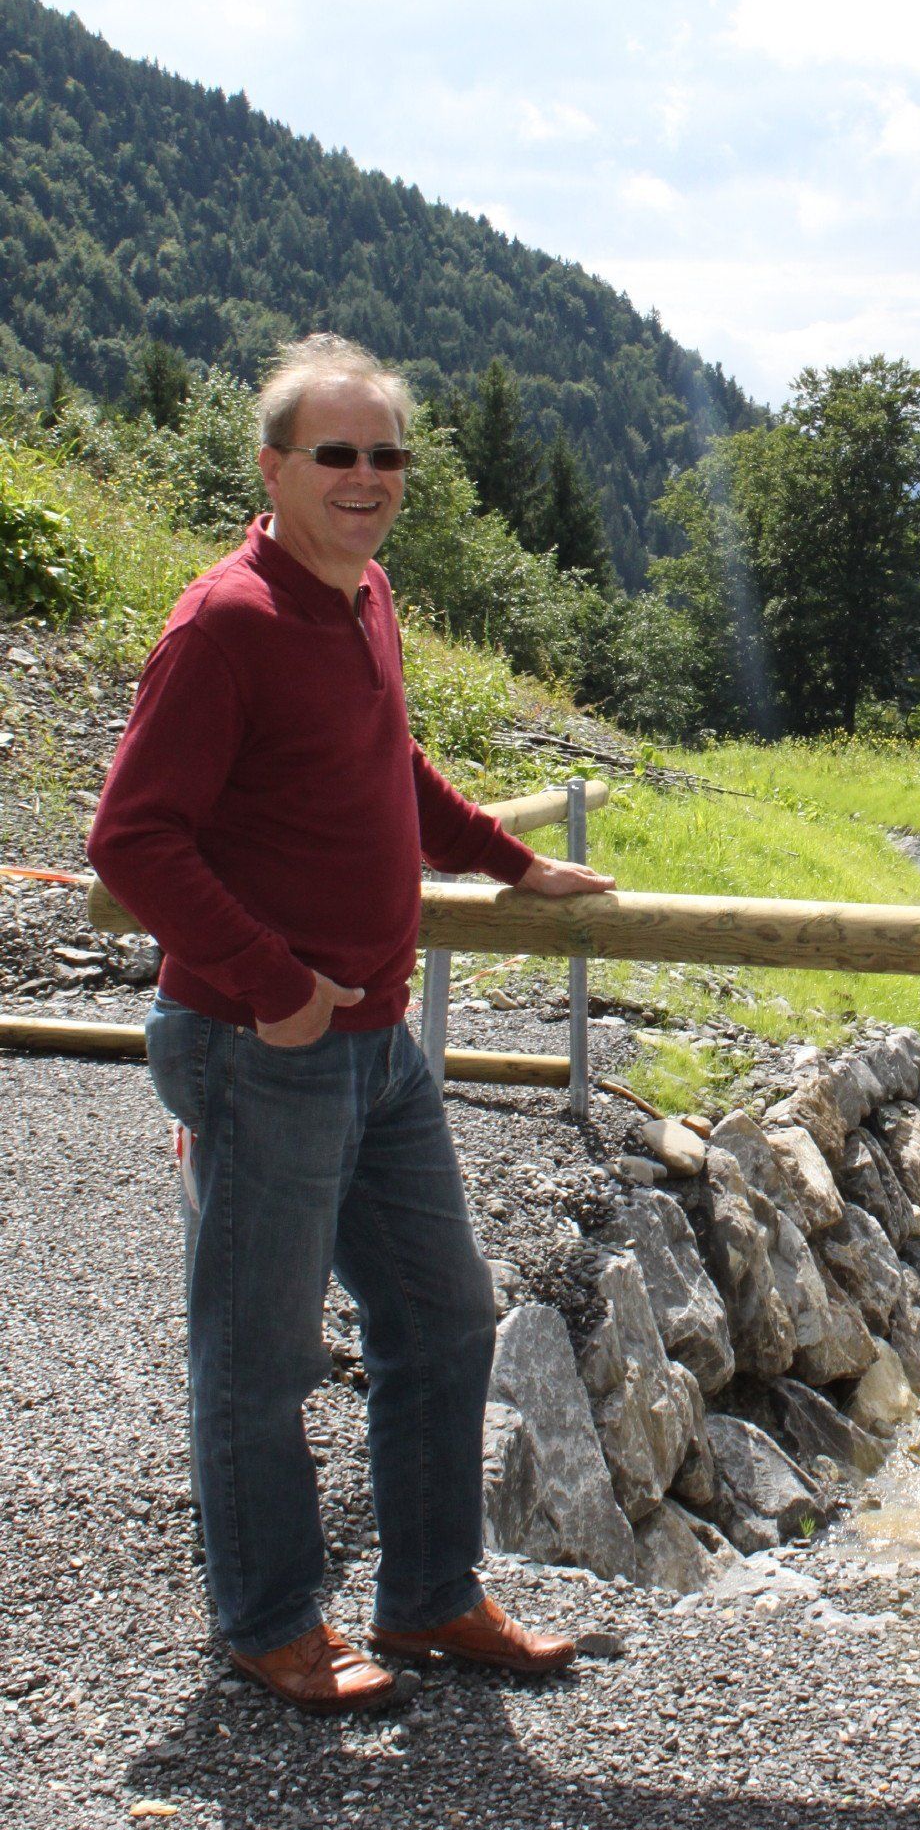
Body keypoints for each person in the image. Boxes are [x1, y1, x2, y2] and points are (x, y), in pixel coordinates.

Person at [87, 332, 616, 1716]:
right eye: (337, 454)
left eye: (387, 455)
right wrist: (273, 985)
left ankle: (430, 1596)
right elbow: (132, 837)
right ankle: (270, 1623)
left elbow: (390, 767)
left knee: (443, 1318)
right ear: (274, 468)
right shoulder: (226, 625)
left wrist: (508, 861)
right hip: (265, 1046)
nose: (366, 477)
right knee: (259, 1358)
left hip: (374, 1045)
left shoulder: (364, 593)